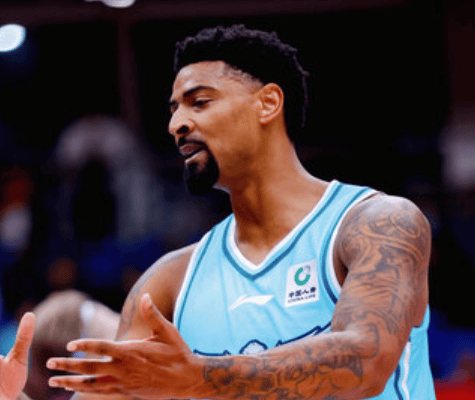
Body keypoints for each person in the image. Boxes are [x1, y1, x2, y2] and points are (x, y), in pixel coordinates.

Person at [5, 24, 436, 400]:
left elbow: (366, 360)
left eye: (199, 102)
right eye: (174, 109)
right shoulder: (168, 282)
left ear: (268, 103)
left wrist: (199, 378)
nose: (177, 125)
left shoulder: (377, 223)